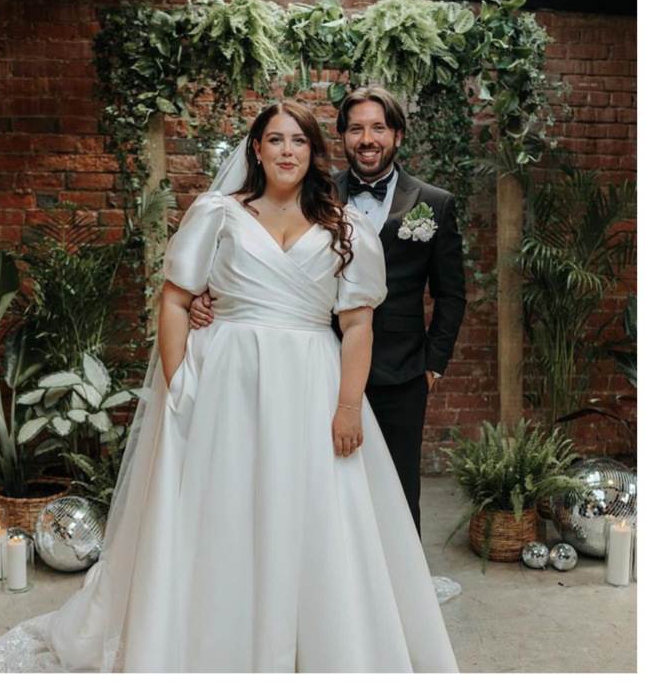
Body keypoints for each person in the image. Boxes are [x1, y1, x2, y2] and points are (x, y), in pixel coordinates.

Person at [0, 101, 459, 673]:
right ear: (255, 149)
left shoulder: (344, 227)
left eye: (298, 141)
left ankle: (318, 644)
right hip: (228, 380)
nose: (286, 151)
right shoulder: (217, 213)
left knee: (316, 511)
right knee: (225, 507)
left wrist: (348, 406)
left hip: (311, 380)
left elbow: (357, 324)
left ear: (312, 151)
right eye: (274, 140)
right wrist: (182, 386)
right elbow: (177, 300)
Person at [192, 88, 467, 537]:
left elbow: (451, 294)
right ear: (341, 137)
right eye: (356, 128)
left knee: (397, 491)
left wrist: (432, 366)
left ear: (398, 135)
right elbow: (256, 258)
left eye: (378, 127)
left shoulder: (433, 203)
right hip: (317, 368)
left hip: (401, 371)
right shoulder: (313, 192)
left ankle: (399, 597)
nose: (367, 138)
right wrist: (208, 298)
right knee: (321, 490)